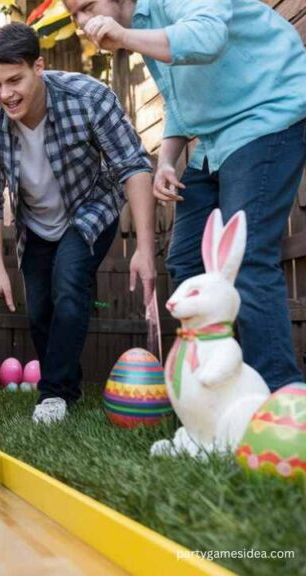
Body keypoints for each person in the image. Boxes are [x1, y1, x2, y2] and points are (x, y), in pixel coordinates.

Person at [65, 0, 306, 391]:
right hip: (215, 142)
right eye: (74, 14)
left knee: (246, 257)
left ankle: (278, 399)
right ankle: (214, 389)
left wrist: (125, 37)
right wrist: (166, 162)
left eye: (87, 6)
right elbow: (180, 104)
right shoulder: (146, 32)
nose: (81, 21)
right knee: (185, 259)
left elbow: (208, 37)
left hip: (267, 117)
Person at [0, 23, 156, 423]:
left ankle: (52, 394)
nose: (5, 94)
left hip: (90, 210)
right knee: (39, 310)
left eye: (14, 80)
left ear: (39, 66)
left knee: (69, 285)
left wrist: (144, 245)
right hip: (34, 224)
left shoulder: (87, 97)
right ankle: (68, 386)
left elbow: (134, 165)